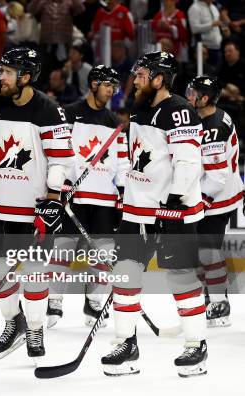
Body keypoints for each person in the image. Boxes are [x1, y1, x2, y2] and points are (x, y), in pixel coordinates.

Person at [101, 51, 208, 378]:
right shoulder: (139, 109)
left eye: (143, 75)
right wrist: (125, 189)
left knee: (180, 277)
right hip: (138, 210)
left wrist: (174, 200)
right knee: (125, 273)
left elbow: (188, 160)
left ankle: (196, 346)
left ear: (160, 79)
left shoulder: (179, 111)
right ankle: (126, 343)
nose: (136, 81)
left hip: (171, 212)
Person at [0, 46, 75, 363]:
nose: (1, 77)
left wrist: (54, 199)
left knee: (34, 275)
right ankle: (13, 322)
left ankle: (35, 328)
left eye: (8, 73)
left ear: (26, 77)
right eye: (0, 71)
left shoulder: (47, 109)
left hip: (32, 210)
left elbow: (61, 160)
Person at [46, 66, 127, 328]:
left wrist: (123, 191)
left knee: (101, 256)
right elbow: (57, 152)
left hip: (104, 199)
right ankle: (53, 301)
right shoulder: (68, 114)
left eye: (114, 86)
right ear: (93, 84)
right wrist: (60, 184)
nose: (111, 90)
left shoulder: (116, 123)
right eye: (106, 85)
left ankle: (93, 303)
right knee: (63, 251)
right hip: (74, 197)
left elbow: (122, 164)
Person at [186, 76, 243, 327]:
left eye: (193, 92)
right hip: (217, 195)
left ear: (205, 98)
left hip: (217, 199)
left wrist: (200, 202)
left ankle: (219, 304)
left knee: (208, 252)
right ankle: (213, 298)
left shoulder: (213, 127)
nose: (188, 96)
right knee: (200, 252)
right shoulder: (212, 117)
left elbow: (217, 177)